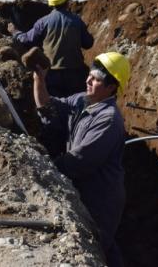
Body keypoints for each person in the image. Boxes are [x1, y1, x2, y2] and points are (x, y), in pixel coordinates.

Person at [33, 51, 130, 267]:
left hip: (100, 197)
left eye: (96, 79)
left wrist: (44, 168)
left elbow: (80, 161)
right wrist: (39, 79)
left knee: (98, 245)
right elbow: (48, 106)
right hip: (81, 187)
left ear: (111, 87)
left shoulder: (108, 120)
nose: (88, 80)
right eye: (90, 75)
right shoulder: (81, 100)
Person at [8, 0, 93, 97]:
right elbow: (88, 44)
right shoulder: (77, 21)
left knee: (55, 107)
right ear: (67, 2)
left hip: (51, 74)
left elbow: (27, 40)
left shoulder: (43, 22)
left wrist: (15, 32)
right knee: (77, 105)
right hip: (76, 73)